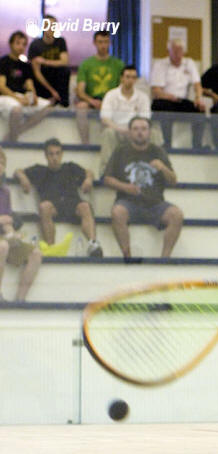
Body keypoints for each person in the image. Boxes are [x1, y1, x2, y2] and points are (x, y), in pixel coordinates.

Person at [104, 116, 183, 259]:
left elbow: (173, 181)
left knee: (177, 215)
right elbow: (107, 179)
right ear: (130, 132)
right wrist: (125, 187)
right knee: (117, 212)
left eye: (144, 129)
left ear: (149, 132)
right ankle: (127, 256)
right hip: (128, 202)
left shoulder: (158, 151)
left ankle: (165, 259)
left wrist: (163, 168)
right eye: (136, 129)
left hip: (155, 203)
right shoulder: (120, 151)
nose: (140, 132)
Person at [14, 138, 102, 257]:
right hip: (53, 207)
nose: (55, 157)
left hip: (73, 205)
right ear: (46, 155)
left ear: (62, 154)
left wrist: (89, 179)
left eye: (57, 153)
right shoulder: (39, 170)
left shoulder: (70, 167)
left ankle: (93, 244)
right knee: (44, 206)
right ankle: (51, 248)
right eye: (51, 154)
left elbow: (89, 172)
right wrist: (23, 178)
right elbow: (18, 171)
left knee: (85, 206)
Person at [0, 147, 42, 302]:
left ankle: (20, 299)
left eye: (2, 163)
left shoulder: (5, 191)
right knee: (3, 246)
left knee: (35, 253)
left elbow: (7, 220)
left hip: (2, 237)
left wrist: (12, 234)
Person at [150, 39, 206, 149]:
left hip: (181, 101)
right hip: (164, 99)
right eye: (175, 51)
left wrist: (198, 98)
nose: (178, 54)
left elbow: (197, 85)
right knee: (164, 108)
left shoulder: (189, 63)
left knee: (199, 110)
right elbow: (156, 90)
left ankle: (197, 145)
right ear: (169, 51)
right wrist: (169, 96)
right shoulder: (160, 64)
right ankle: (167, 144)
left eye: (180, 51)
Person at [99, 66, 154, 174]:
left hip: (136, 131)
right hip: (116, 130)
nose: (130, 80)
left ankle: (150, 170)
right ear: (122, 78)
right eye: (128, 77)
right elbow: (105, 119)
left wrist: (133, 130)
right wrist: (121, 130)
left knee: (154, 133)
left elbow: (145, 120)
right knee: (108, 133)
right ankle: (106, 172)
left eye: (133, 77)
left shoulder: (143, 97)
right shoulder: (111, 95)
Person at [0, 31, 54, 142]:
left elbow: (29, 85)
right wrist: (18, 99)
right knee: (17, 110)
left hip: (21, 97)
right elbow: (1, 86)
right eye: (18, 43)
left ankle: (17, 131)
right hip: (7, 97)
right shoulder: (3, 62)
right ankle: (13, 140)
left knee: (48, 107)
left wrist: (33, 97)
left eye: (24, 44)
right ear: (11, 44)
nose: (21, 47)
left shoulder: (25, 65)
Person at [75, 31, 125, 144]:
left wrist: (107, 102)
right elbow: (80, 91)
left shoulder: (118, 64)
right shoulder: (86, 64)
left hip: (111, 101)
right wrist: (92, 101)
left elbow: (122, 88)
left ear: (110, 43)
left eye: (106, 42)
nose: (103, 45)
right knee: (81, 107)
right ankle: (85, 143)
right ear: (94, 43)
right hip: (92, 100)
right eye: (100, 42)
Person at [28, 15, 70, 107]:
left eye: (53, 25)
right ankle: (44, 98)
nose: (51, 28)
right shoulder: (35, 45)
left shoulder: (60, 41)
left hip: (56, 77)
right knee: (32, 73)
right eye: (48, 25)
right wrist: (52, 91)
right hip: (42, 80)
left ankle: (63, 103)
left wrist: (44, 61)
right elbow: (36, 72)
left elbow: (64, 61)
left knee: (64, 70)